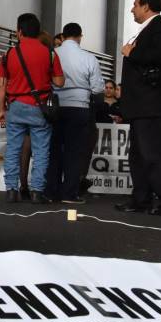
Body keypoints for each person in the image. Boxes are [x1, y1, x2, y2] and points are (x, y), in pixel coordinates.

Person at [115, 0, 161, 215]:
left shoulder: (159, 28)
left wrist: (131, 54)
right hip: (142, 105)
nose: (132, 9)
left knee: (153, 155)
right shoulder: (151, 30)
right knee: (139, 156)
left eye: (135, 4)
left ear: (146, 6)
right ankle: (140, 199)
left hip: (150, 105)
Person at [0, 13, 65, 204]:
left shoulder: (8, 54)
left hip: (16, 106)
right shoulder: (50, 53)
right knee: (41, 150)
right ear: (37, 32)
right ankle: (37, 191)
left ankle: (11, 190)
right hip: (39, 107)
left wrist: (2, 109)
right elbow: (59, 82)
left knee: (13, 149)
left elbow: (1, 85)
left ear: (19, 31)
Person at [46, 22, 103, 204]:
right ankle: (69, 193)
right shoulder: (89, 58)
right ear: (80, 37)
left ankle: (51, 192)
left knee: (53, 150)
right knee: (74, 151)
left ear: (62, 37)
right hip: (80, 107)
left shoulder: (53, 55)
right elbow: (97, 87)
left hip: (55, 106)